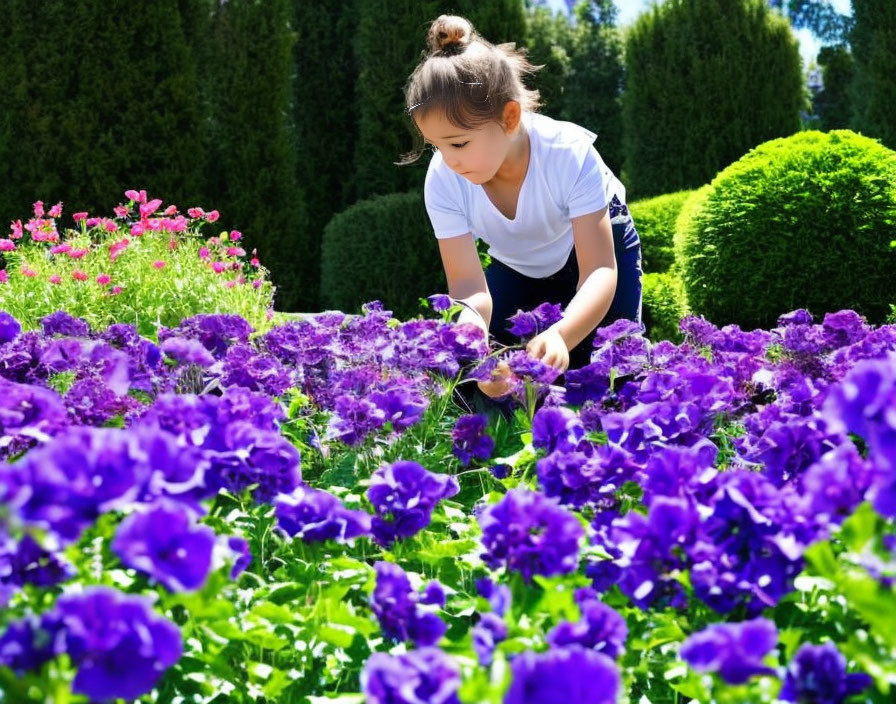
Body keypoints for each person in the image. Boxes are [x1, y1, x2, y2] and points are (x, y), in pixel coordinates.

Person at [398, 14, 644, 400]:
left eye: (458, 143)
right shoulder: (443, 178)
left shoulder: (568, 154)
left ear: (509, 117)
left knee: (615, 374)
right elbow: (468, 288)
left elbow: (599, 270)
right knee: (467, 386)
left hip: (597, 255)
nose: (448, 160)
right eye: (436, 146)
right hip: (518, 264)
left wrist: (562, 335)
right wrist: (474, 343)